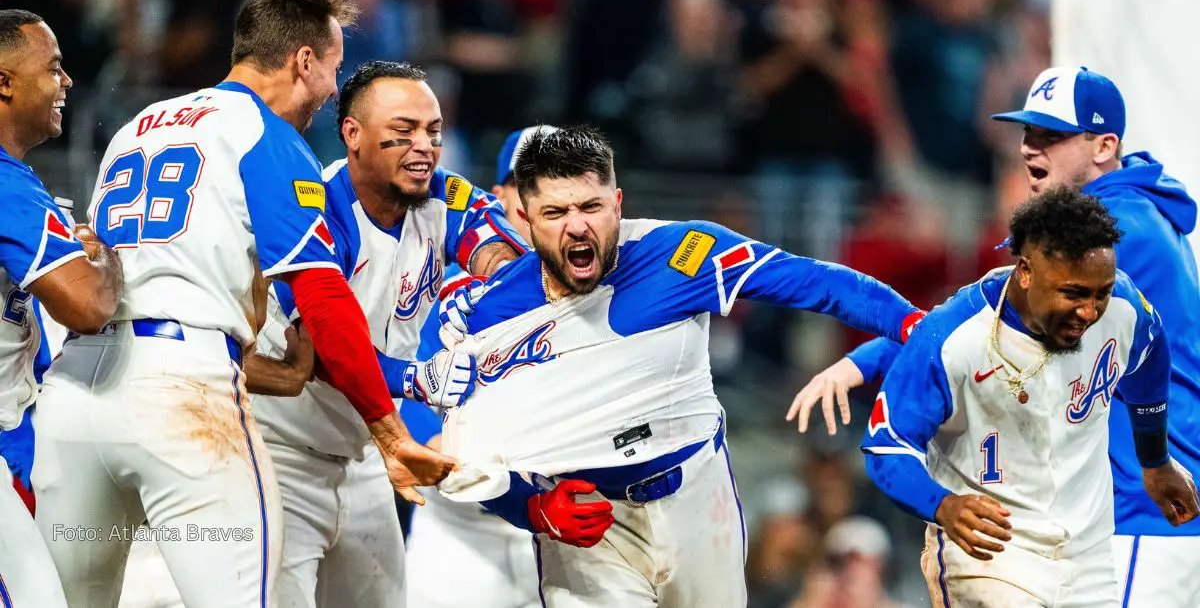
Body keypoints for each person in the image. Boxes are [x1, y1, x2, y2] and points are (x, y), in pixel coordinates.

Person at [30, 0, 454, 607]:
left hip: (76, 394)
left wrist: (272, 370)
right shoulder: (269, 137)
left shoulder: (137, 127)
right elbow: (322, 298)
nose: (335, 88)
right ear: (304, 61)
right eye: (334, 68)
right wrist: (390, 435)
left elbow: (118, 280)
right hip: (180, 396)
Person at [420, 126, 927, 607]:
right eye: (556, 212)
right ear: (525, 220)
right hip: (590, 526)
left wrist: (919, 332)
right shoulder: (488, 315)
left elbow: (820, 283)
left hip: (696, 500)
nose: (577, 225)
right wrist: (532, 509)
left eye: (591, 206)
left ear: (617, 204)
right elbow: (463, 452)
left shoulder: (682, 254)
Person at [793, 66, 1200, 606]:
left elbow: (981, 315)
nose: (1032, 149)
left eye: (1053, 136)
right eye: (1028, 133)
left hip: (1140, 511)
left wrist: (865, 361)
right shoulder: (1138, 211)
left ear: (1104, 146)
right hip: (1148, 506)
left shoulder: (1112, 232)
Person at [249, 60, 525, 608]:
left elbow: (495, 242)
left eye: (432, 132)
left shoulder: (441, 193)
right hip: (280, 457)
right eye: (402, 133)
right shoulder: (314, 207)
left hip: (369, 459)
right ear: (352, 134)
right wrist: (419, 377)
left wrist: (488, 286)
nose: (422, 146)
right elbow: (325, 348)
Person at [861, 187, 1198, 606]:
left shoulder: (1124, 306)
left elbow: (1149, 357)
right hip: (992, 556)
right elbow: (887, 444)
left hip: (1088, 557)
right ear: (1025, 271)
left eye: (1101, 293)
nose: (1090, 311)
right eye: (1073, 293)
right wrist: (941, 504)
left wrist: (1155, 461)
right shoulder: (953, 337)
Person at [0, 8, 124, 607]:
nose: (66, 81)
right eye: (52, 68)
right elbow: (88, 304)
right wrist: (109, 256)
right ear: (4, 82)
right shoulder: (5, 183)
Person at [404, 126, 551, 608]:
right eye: (529, 179)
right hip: (459, 540)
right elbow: (406, 392)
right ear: (501, 195)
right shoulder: (448, 288)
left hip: (567, 539)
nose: (546, 193)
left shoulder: (604, 292)